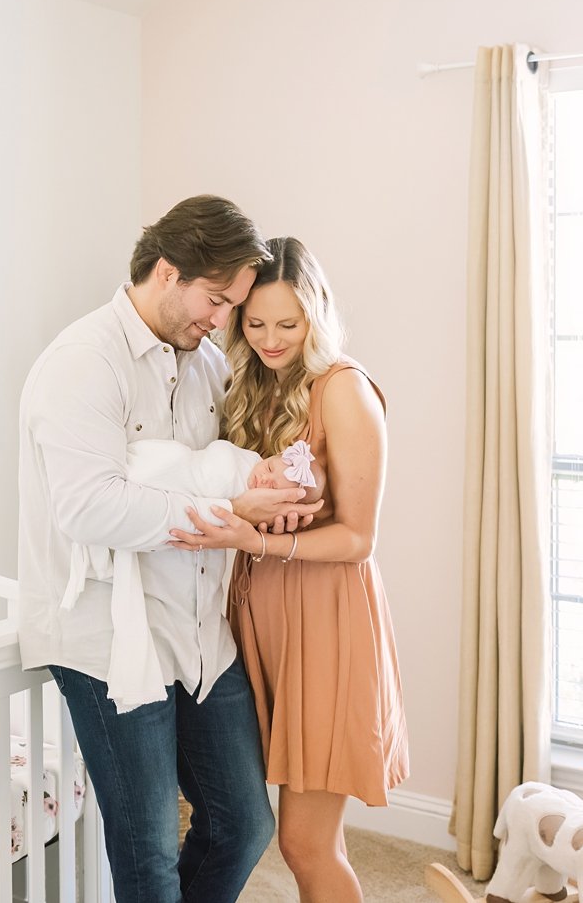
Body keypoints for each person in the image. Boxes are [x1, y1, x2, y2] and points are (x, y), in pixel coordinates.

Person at [17, 197, 322, 903]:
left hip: (194, 627)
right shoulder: (83, 362)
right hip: (107, 637)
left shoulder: (206, 362)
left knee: (244, 821)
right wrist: (227, 508)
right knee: (148, 852)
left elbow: (216, 462)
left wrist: (266, 485)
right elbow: (89, 504)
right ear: (166, 270)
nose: (222, 320)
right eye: (216, 299)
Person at [168, 236, 410, 903]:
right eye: (256, 323)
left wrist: (258, 540)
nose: (271, 338)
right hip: (259, 620)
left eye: (288, 323)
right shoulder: (253, 384)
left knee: (306, 842)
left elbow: (359, 538)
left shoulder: (345, 389)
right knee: (249, 818)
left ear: (316, 317)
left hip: (325, 622)